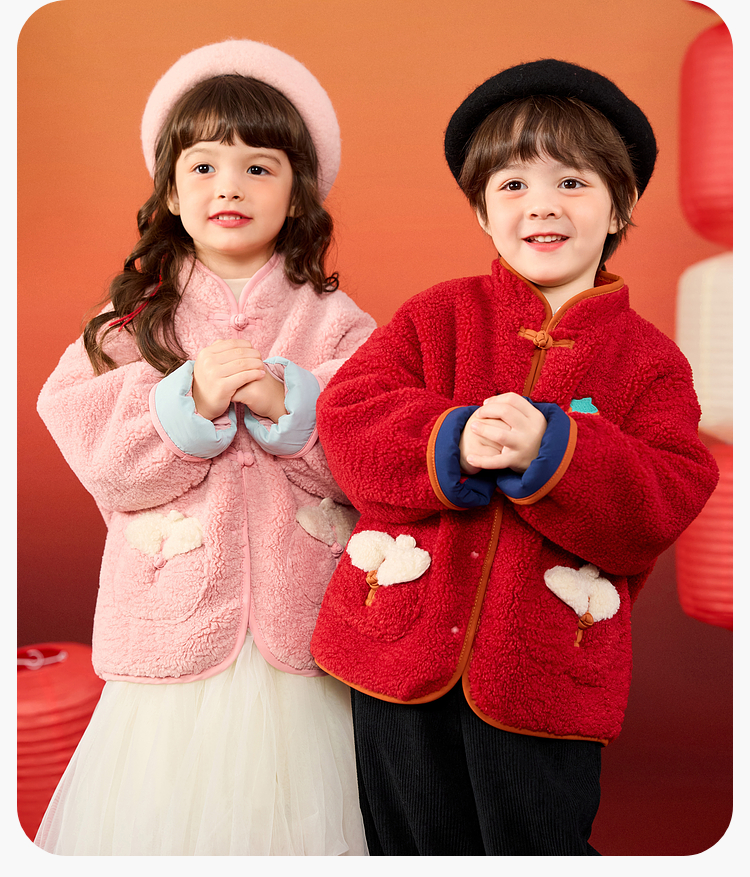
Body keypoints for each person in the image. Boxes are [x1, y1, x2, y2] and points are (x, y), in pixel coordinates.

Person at [309, 59, 719, 855]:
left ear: (620, 204)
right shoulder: (438, 316)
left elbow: (668, 493)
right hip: (398, 646)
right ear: (481, 209)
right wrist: (451, 438)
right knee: (407, 842)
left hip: (546, 672)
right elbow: (349, 417)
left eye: (572, 182)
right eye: (513, 184)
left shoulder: (650, 363)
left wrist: (561, 450)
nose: (542, 204)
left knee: (537, 844)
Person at [34, 39, 375, 856]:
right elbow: (96, 448)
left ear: (297, 193)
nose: (230, 186)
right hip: (172, 627)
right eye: (204, 166)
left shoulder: (338, 324)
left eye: (259, 167)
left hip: (305, 632)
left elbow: (376, 457)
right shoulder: (133, 322)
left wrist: (292, 406)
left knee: (305, 816)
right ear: (170, 192)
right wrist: (184, 404)